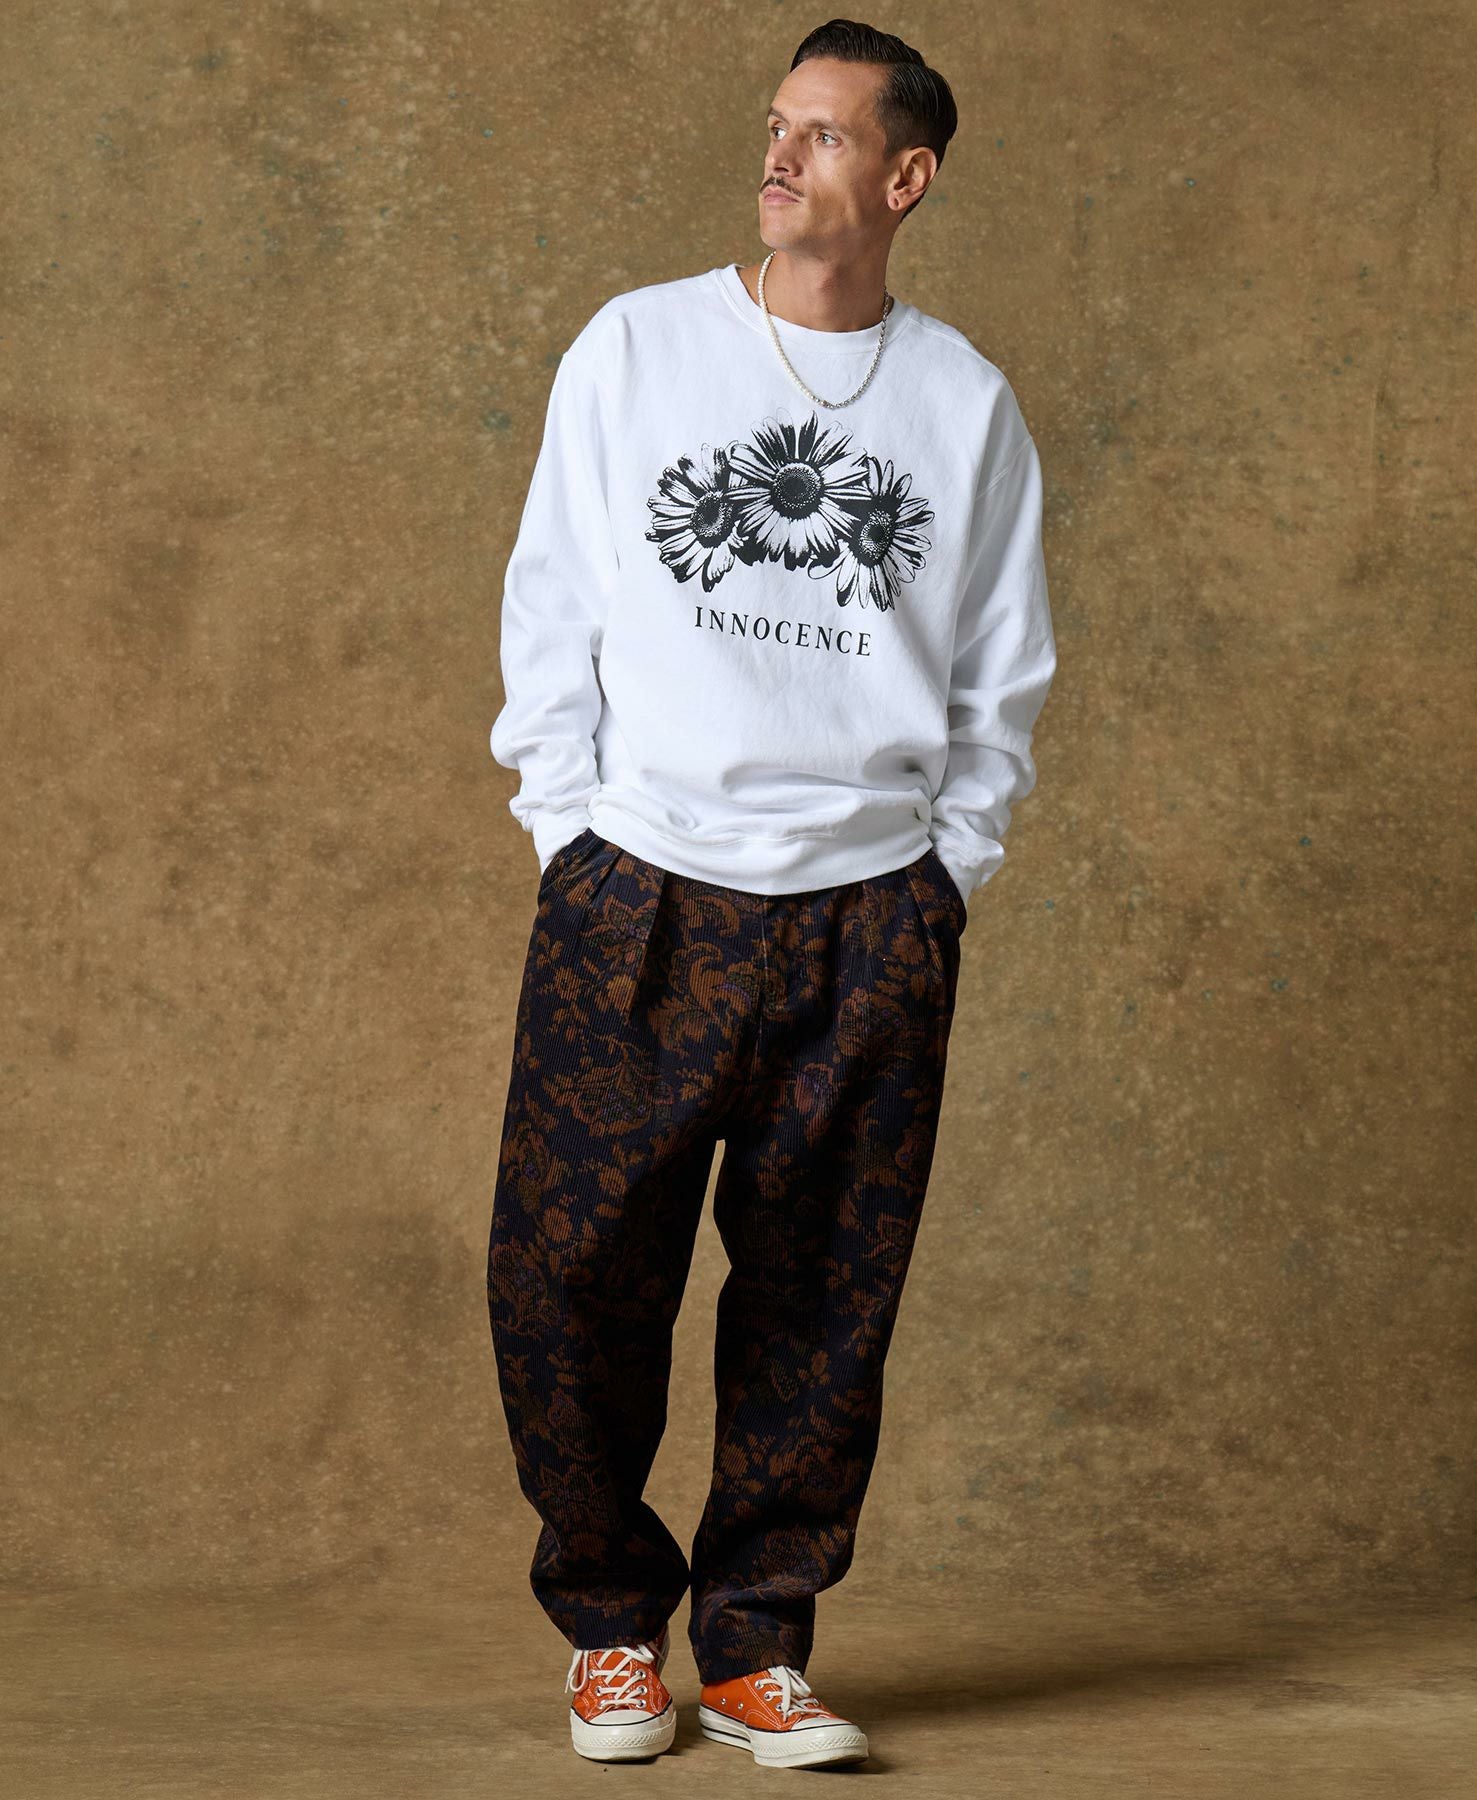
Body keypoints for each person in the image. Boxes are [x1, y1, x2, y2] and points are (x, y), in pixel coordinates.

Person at [485, 18, 1056, 1769]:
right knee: (573, 1275)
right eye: (775, 127)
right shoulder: (641, 345)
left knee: (823, 1303)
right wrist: (571, 836)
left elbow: (1003, 674)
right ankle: (610, 1630)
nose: (780, 157)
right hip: (641, 893)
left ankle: (754, 1651)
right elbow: (552, 598)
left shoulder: (963, 404)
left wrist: (944, 879)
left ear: (907, 177)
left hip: (867, 918)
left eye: (823, 136)